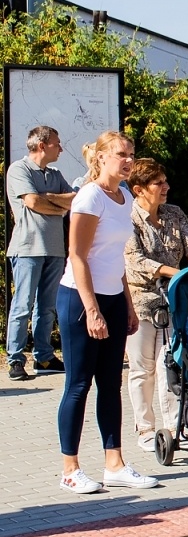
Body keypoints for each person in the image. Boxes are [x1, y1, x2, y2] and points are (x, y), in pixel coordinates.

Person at [56, 131, 158, 494]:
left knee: (110, 385)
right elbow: (77, 257)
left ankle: (114, 463)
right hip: (80, 300)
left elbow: (118, 259)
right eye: (120, 154)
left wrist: (127, 305)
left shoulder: (125, 195)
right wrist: (92, 310)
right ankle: (70, 469)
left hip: (114, 297)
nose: (128, 160)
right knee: (79, 385)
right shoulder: (89, 196)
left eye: (131, 154)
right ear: (101, 158)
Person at [123, 158, 188, 452]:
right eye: (158, 183)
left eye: (165, 181)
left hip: (172, 298)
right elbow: (135, 260)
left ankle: (174, 427)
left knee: (170, 364)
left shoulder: (174, 213)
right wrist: (177, 272)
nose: (166, 187)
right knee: (142, 368)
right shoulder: (128, 218)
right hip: (139, 301)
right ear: (139, 189)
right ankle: (145, 428)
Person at [6, 125, 74, 380]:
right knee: (23, 305)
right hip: (27, 248)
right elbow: (32, 202)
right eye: (57, 143)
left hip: (55, 249)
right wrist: (55, 202)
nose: (61, 148)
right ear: (42, 145)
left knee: (47, 308)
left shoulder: (54, 174)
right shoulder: (19, 169)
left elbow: (74, 200)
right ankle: (15, 359)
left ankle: (43, 358)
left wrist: (49, 198)